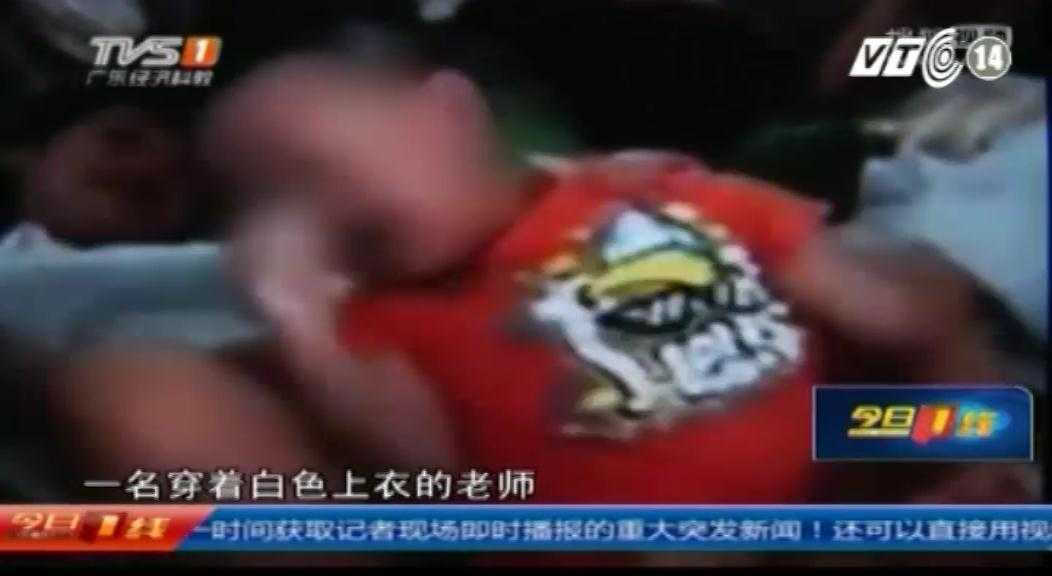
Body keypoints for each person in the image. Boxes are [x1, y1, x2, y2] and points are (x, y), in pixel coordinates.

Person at [48, 52, 1035, 504]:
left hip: (830, 456)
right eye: (264, 202)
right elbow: (438, 483)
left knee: (922, 325)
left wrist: (956, 421)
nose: (299, 214)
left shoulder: (657, 192)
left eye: (309, 167)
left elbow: (889, 309)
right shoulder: (378, 326)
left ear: (449, 114)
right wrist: (305, 328)